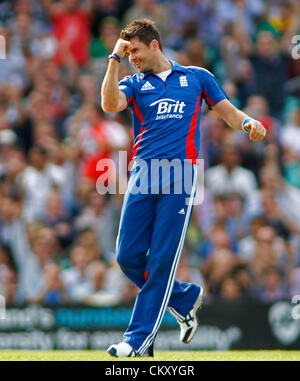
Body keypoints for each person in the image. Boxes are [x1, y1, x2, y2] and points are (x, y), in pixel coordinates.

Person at [101, 18, 266, 358]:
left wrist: (249, 123)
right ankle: (184, 297)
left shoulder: (196, 78)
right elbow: (109, 105)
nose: (132, 57)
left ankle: (136, 342)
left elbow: (230, 114)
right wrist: (113, 60)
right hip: (143, 176)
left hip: (180, 178)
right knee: (127, 256)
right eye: (127, 52)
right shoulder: (134, 83)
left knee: (161, 260)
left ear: (154, 45)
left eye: (135, 51)